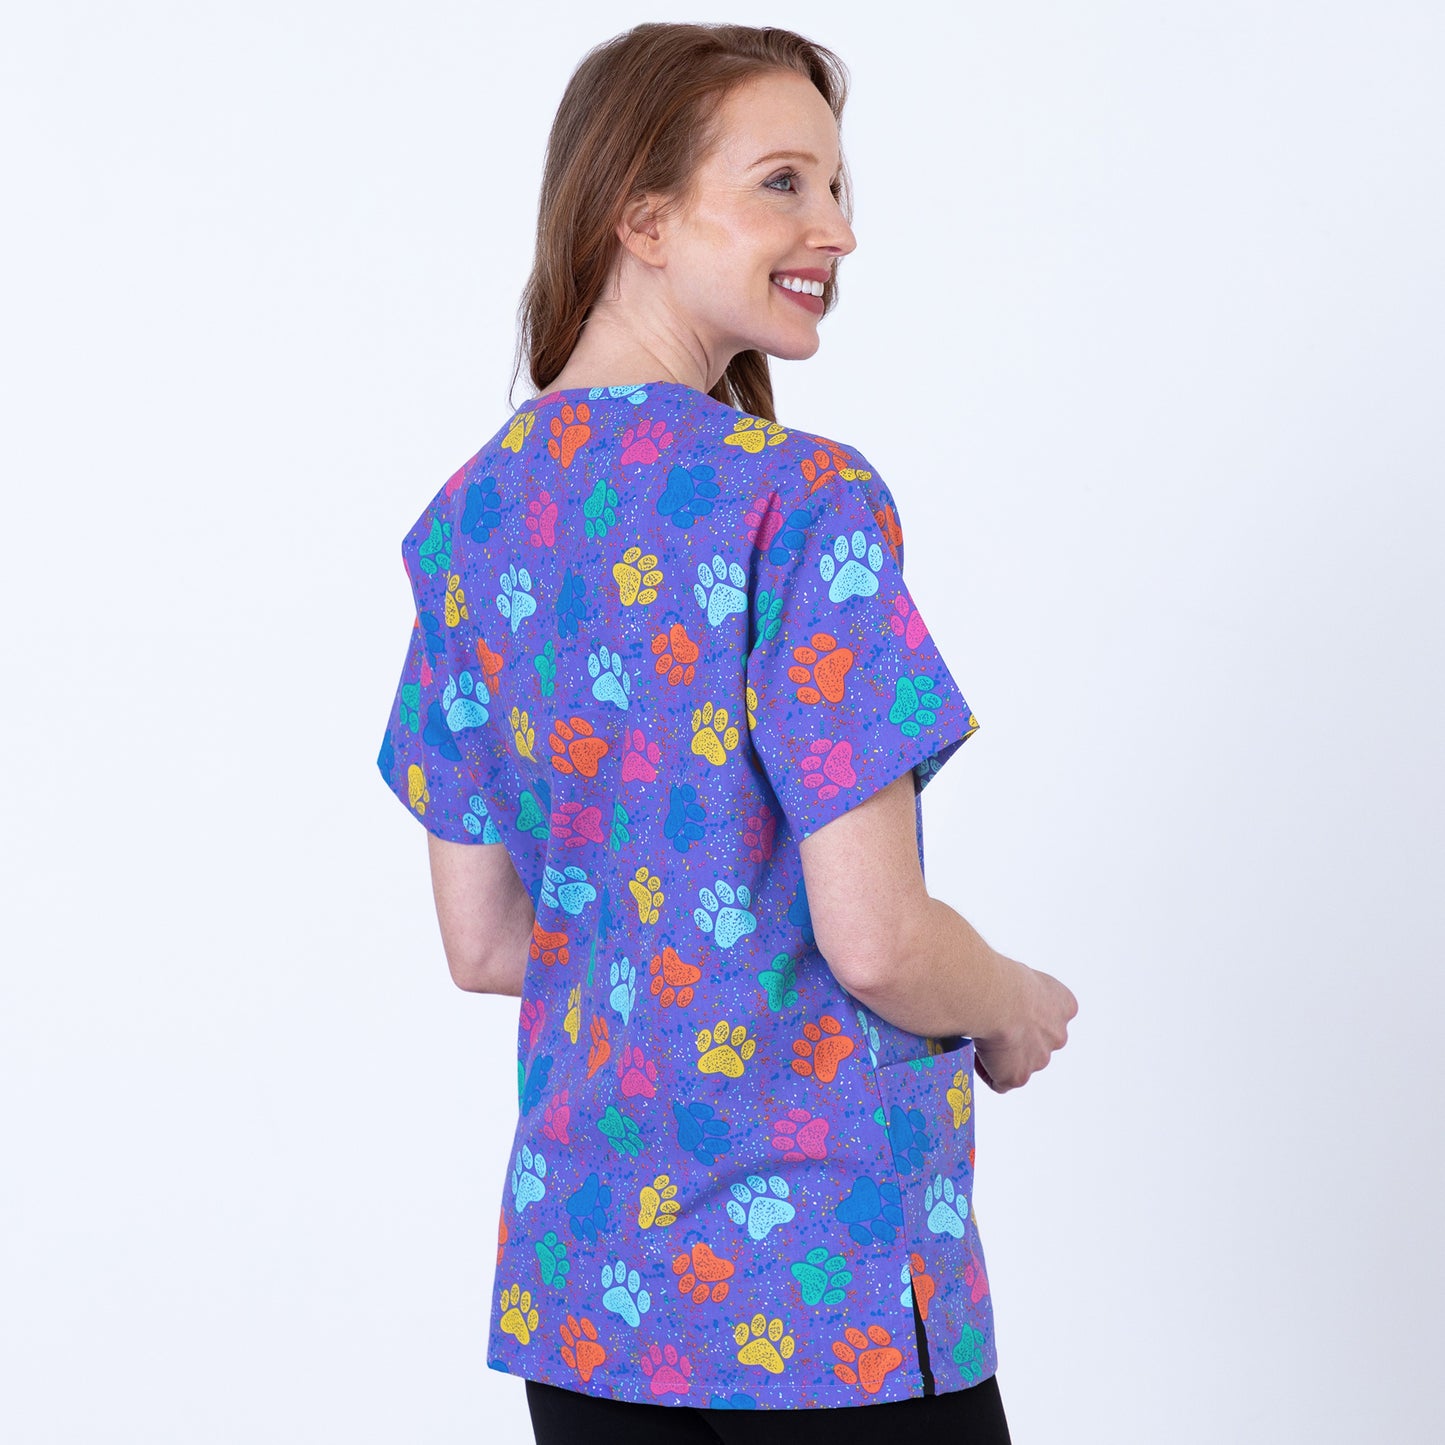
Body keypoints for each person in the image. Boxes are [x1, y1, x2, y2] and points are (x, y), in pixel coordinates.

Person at [375, 21, 1077, 1443]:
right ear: (638, 218)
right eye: (783, 183)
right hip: (821, 1298)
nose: (838, 230)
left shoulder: (469, 522)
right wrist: (1009, 1000)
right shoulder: (799, 501)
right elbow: (877, 940)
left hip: (589, 1293)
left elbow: (487, 942)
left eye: (838, 187)